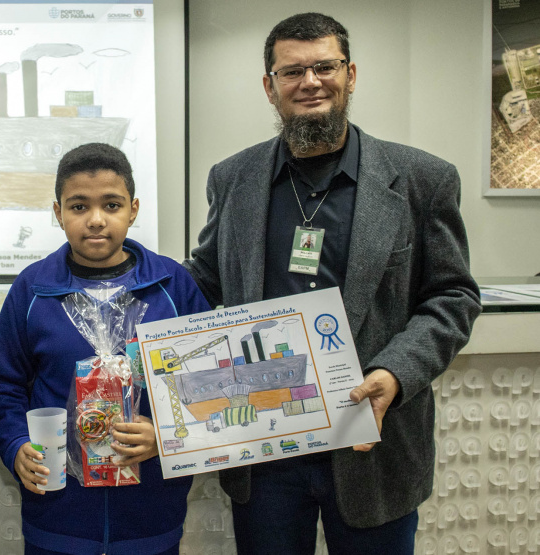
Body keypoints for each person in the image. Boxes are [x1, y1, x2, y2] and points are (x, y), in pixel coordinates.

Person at [184, 13, 481, 555]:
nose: (311, 81)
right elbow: (204, 279)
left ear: (350, 74)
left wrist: (396, 371)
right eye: (293, 71)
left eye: (325, 66)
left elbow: (453, 296)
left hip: (373, 439)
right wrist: (121, 289)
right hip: (265, 443)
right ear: (270, 87)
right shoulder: (232, 178)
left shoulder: (423, 179)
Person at [0, 143, 210, 555]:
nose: (96, 220)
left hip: (151, 518)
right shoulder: (32, 289)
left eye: (111, 204)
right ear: (58, 213)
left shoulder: (172, 286)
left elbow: (206, 386)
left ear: (134, 209)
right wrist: (16, 444)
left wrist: (166, 436)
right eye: (78, 207)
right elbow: (2, 385)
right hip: (57, 517)